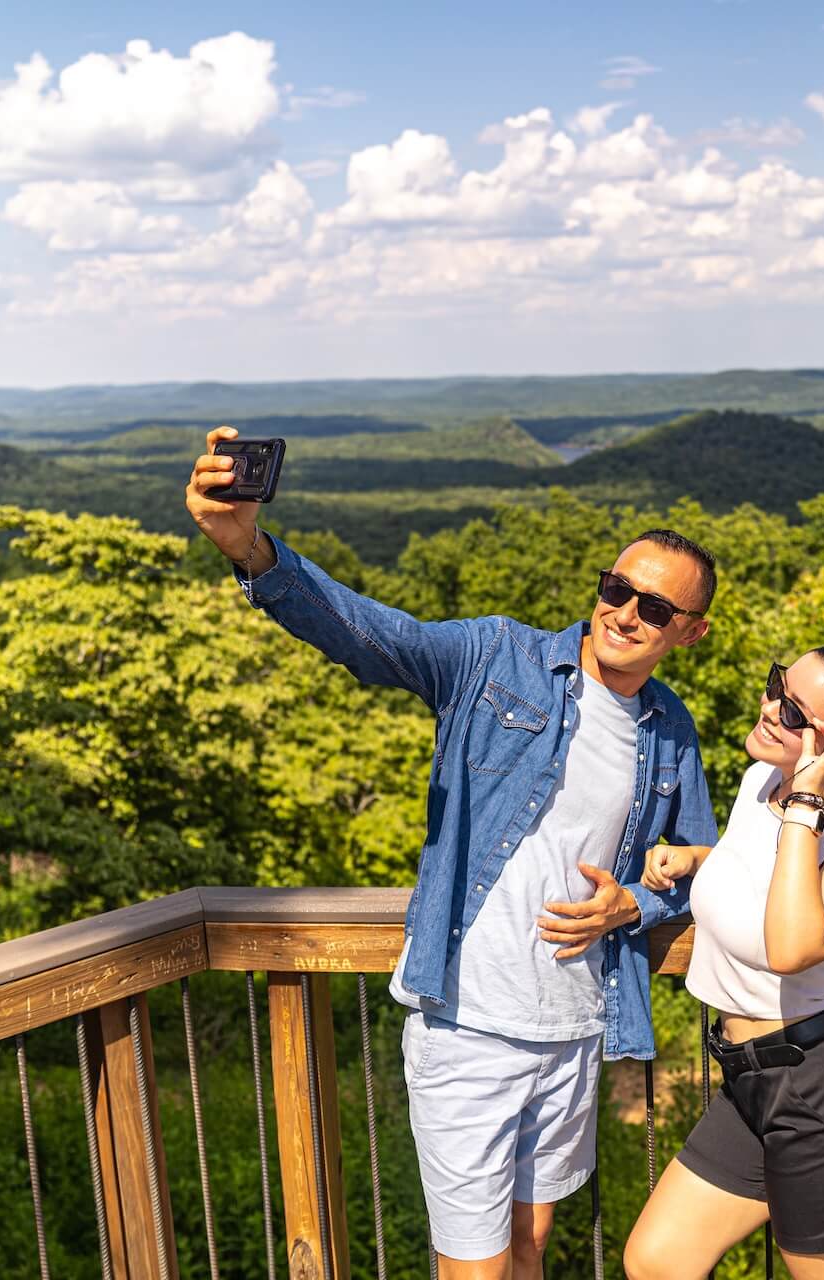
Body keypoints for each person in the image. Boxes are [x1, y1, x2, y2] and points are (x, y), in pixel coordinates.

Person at [185, 427, 719, 1280]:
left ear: (688, 633)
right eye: (618, 589)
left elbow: (700, 861)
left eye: (656, 608)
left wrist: (637, 904)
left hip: (575, 1028)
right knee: (473, 1268)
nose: (626, 613)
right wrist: (248, 547)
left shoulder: (670, 730)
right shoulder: (494, 659)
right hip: (468, 1024)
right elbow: (366, 631)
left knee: (529, 1247)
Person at [624, 645, 824, 1280]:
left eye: (791, 709)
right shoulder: (762, 781)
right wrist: (697, 859)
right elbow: (762, 873)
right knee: (658, 1261)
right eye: (775, 686)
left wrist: (809, 799)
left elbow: (791, 946)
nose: (767, 709)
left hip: (823, 1095)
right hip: (751, 1082)